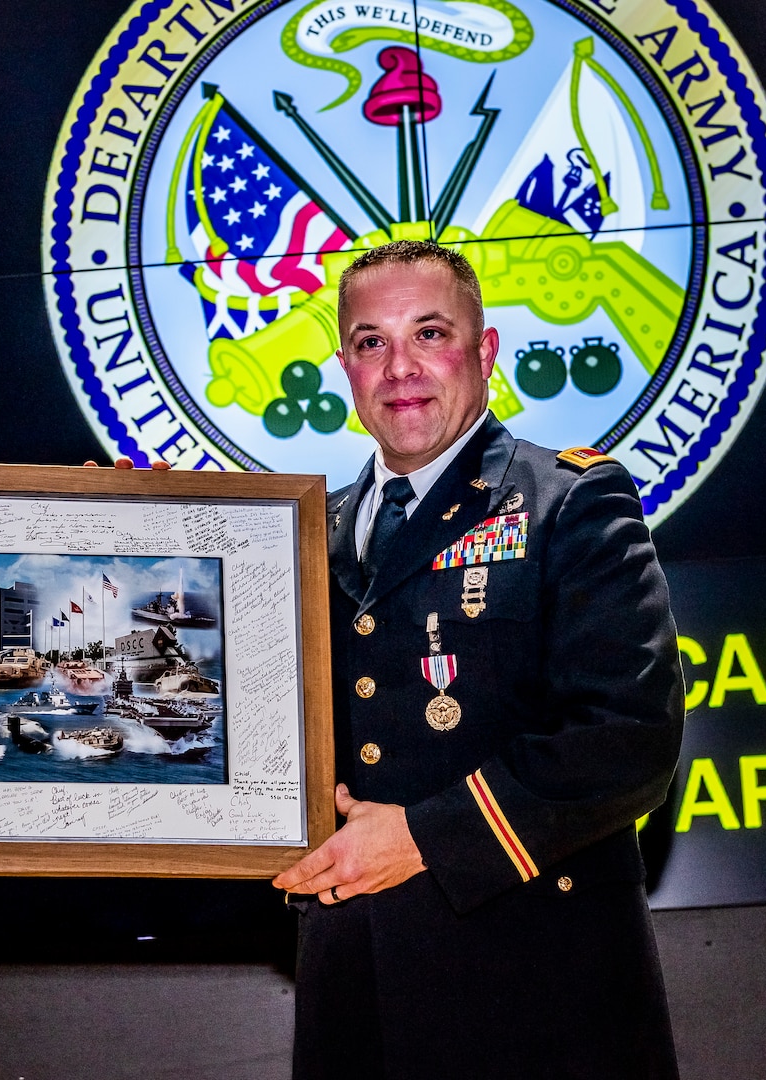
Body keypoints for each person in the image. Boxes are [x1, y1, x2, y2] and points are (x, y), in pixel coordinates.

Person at [270, 240, 683, 1078]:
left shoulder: (570, 500)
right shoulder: (302, 534)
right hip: (354, 999)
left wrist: (425, 836)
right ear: (344, 367)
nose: (400, 367)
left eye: (430, 333)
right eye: (371, 342)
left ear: (485, 351)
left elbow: (627, 735)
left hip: (538, 997)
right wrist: (121, 531)